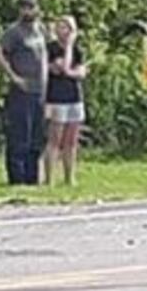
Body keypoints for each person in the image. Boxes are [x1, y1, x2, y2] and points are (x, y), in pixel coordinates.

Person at [0, 0, 49, 185]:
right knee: (19, 135)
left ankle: (32, 178)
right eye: (24, 6)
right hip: (21, 91)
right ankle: (17, 177)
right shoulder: (14, 31)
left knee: (37, 136)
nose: (27, 10)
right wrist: (13, 77)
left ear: (37, 8)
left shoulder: (40, 30)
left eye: (30, 6)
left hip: (40, 90)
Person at [43, 15, 89, 186]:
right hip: (56, 98)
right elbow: (62, 67)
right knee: (54, 139)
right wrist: (68, 48)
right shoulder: (51, 49)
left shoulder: (79, 50)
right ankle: (49, 179)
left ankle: (70, 177)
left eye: (66, 28)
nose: (62, 31)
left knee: (71, 140)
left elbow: (81, 72)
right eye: (59, 27)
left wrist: (72, 71)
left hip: (74, 97)